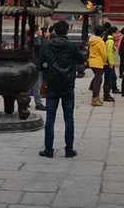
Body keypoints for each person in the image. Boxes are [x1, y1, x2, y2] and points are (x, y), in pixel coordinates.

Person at [37, 20, 85, 158]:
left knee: (50, 118)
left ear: (55, 31)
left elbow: (40, 65)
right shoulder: (72, 46)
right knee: (69, 118)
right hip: (68, 85)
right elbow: (81, 59)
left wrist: (48, 66)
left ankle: (48, 149)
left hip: (51, 85)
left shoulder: (46, 46)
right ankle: (69, 149)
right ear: (67, 31)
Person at [88, 25, 107, 106]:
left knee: (98, 79)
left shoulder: (91, 40)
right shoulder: (100, 42)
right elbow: (104, 54)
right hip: (98, 62)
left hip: (92, 61)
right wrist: (105, 61)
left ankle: (97, 97)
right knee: (98, 81)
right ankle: (95, 98)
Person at [103, 26, 119, 100]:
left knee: (112, 78)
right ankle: (106, 95)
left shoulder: (107, 39)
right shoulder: (110, 41)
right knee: (109, 79)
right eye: (116, 33)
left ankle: (107, 94)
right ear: (113, 33)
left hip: (108, 62)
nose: (117, 34)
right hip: (108, 63)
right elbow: (109, 53)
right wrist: (111, 63)